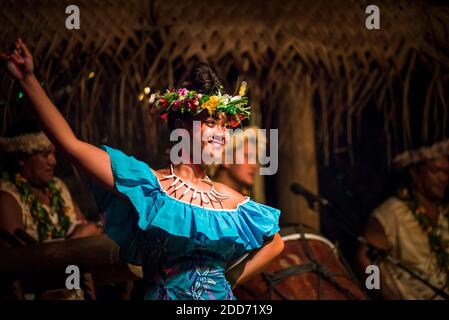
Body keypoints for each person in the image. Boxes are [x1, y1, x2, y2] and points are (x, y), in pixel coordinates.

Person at [1, 38, 284, 300]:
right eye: (210, 123)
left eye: (225, 126)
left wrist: (228, 278)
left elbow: (276, 243)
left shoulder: (230, 200)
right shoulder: (148, 185)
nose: (221, 134)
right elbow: (71, 147)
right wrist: (28, 79)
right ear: (181, 127)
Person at [356, 141, 449, 299]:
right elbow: (365, 259)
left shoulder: (444, 214)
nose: (443, 178)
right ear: (415, 173)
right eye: (436, 171)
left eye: (446, 172)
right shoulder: (391, 213)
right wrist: (378, 292)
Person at [0, 122, 103, 246]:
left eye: (53, 154)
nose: (53, 161)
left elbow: (85, 228)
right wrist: (72, 242)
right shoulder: (7, 197)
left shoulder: (58, 187)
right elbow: (16, 259)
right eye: (45, 155)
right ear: (20, 158)